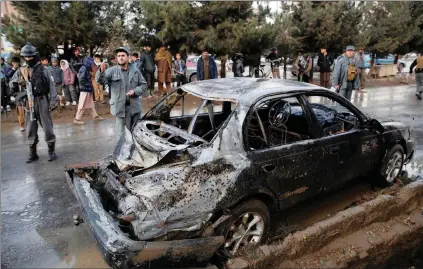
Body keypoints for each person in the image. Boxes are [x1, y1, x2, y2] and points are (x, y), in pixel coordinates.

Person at [13, 43, 58, 162]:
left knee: (47, 127)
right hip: (29, 102)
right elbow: (11, 83)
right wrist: (18, 82)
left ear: (35, 56)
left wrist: (53, 100)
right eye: (25, 57)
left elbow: (51, 85)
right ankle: (33, 153)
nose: (28, 59)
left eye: (30, 57)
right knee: (30, 128)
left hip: (42, 100)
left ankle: (51, 151)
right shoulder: (21, 70)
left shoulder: (44, 69)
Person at [97, 47, 147, 140]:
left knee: (137, 134)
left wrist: (135, 91)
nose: (120, 58)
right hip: (120, 108)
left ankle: (135, 152)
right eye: (119, 56)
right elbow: (100, 81)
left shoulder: (136, 71)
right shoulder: (112, 71)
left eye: (123, 55)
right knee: (121, 136)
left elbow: (144, 85)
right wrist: (100, 72)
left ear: (128, 58)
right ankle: (122, 153)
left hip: (134, 108)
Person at [73, 57, 104, 125]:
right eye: (91, 63)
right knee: (82, 105)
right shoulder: (84, 69)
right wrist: (88, 85)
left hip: (87, 89)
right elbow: (81, 80)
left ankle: (95, 116)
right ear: (88, 63)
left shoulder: (85, 68)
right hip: (84, 89)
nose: (92, 64)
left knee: (91, 104)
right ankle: (77, 119)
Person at [7, 58, 26, 131]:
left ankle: (27, 124)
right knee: (20, 109)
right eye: (14, 62)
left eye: (17, 62)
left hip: (26, 93)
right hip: (17, 93)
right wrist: (17, 81)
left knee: (26, 109)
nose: (16, 64)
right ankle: (21, 125)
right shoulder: (12, 71)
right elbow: (9, 81)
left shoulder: (26, 70)